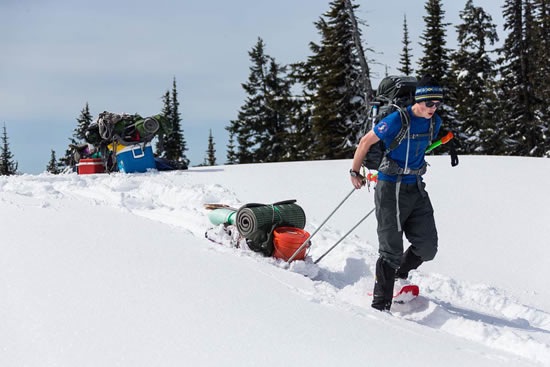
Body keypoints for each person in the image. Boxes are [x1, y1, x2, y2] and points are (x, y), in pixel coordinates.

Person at [350, 75, 443, 311]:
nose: (433, 108)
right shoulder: (397, 119)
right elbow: (365, 142)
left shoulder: (435, 122)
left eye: (437, 104)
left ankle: (399, 274)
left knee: (428, 246)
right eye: (429, 103)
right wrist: (354, 171)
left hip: (416, 186)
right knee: (390, 248)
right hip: (390, 187)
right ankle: (380, 306)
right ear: (419, 100)